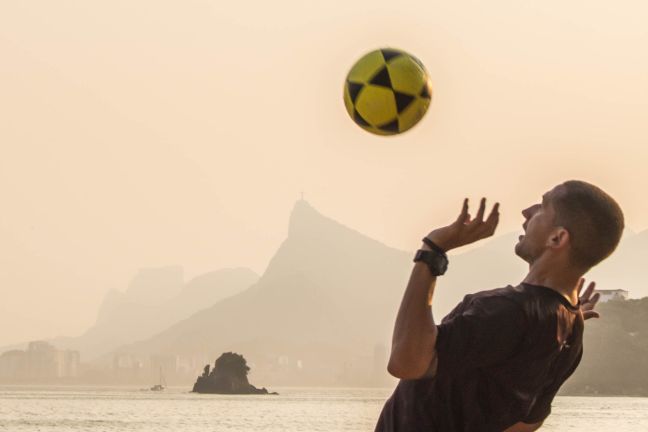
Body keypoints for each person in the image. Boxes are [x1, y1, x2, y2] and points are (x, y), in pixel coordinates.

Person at [375, 180, 624, 432]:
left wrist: (433, 250)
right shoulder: (571, 330)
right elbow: (525, 426)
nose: (527, 211)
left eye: (543, 207)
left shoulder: (505, 310)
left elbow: (405, 361)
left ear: (557, 238)